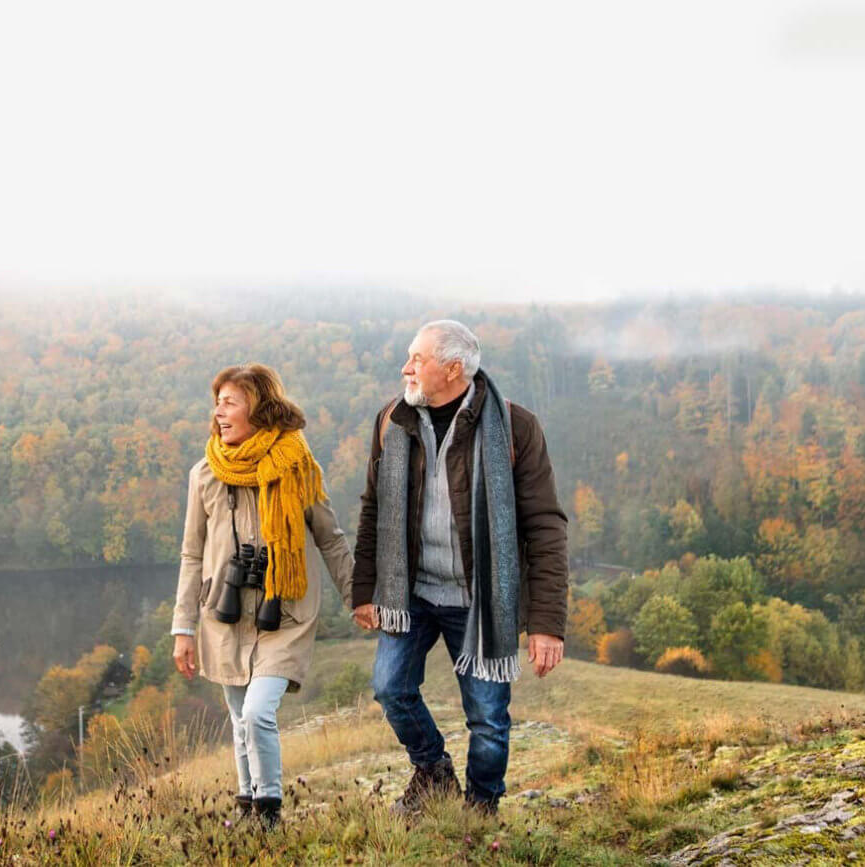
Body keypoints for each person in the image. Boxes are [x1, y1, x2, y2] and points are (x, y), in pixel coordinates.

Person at [351, 320, 568, 815]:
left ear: (453, 370)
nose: (406, 368)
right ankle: (433, 771)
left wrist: (546, 625)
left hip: (480, 599)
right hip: (413, 592)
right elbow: (373, 509)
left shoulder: (515, 428)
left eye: (417, 359)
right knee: (390, 689)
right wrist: (365, 589)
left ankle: (481, 810)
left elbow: (546, 527)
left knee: (488, 719)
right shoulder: (393, 420)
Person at [171, 363, 354, 829]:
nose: (218, 413)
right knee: (238, 718)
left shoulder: (298, 469)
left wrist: (358, 597)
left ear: (258, 408)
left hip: (285, 612)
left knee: (256, 713)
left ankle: (268, 812)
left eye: (230, 402)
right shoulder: (205, 475)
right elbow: (192, 555)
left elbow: (330, 538)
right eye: (217, 403)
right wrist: (183, 627)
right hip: (224, 614)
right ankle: (247, 804)